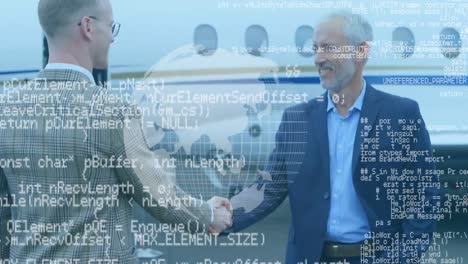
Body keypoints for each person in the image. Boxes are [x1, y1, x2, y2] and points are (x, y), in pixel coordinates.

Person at [0, 0, 232, 262]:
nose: (112, 38)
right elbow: (157, 194)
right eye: (111, 27)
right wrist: (209, 215)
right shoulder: (113, 111)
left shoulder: (6, 110)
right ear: (88, 26)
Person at [229, 12, 439, 264]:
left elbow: (424, 198)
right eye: (316, 49)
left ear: (360, 52)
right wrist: (213, 216)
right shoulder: (296, 120)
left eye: (328, 48)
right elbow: (268, 190)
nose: (318, 58)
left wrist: (401, 258)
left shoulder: (402, 114)